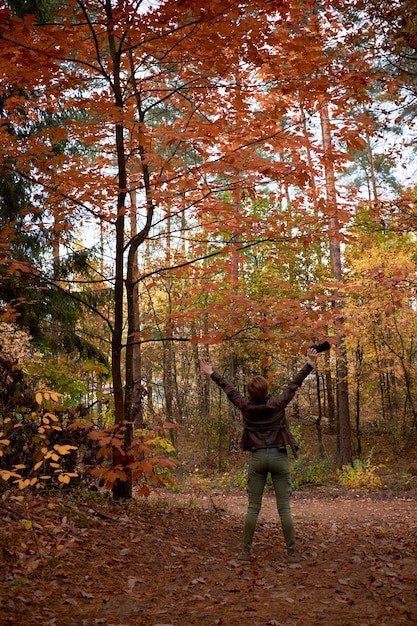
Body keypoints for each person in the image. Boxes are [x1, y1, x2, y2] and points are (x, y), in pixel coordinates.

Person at [200, 347, 319, 565]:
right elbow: (294, 384)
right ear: (266, 390)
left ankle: (245, 554)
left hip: (257, 459)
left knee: (253, 508)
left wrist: (211, 372)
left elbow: (229, 390)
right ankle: (292, 555)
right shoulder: (277, 404)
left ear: (250, 393)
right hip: (279, 457)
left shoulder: (244, 405)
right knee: (284, 508)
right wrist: (310, 363)